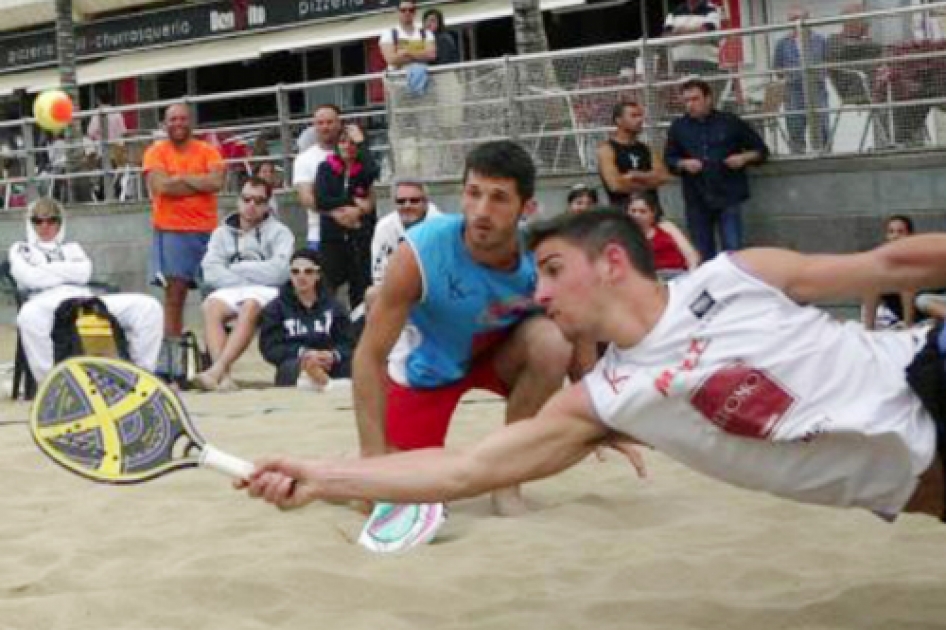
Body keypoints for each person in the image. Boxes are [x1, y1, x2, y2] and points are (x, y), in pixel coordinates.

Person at [240, 209, 946, 527]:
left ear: (612, 262)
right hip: (919, 483)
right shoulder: (606, 397)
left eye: (552, 270)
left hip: (928, 374)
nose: (539, 292)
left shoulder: (732, 277)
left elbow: (887, 264)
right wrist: (321, 476)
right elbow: (464, 471)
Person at [349, 140, 575, 517]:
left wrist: (602, 411)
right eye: (474, 194)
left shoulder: (544, 254)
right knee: (390, 486)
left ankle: (507, 481)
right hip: (430, 368)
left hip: (499, 354)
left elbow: (579, 328)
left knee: (553, 342)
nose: (482, 211)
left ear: (527, 207)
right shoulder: (419, 251)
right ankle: (346, 468)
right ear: (462, 195)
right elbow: (369, 356)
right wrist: (373, 461)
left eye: (500, 198)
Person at [9, 198, 163, 383]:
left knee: (148, 306)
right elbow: (28, 277)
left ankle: (141, 375)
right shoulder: (21, 249)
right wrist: (67, 270)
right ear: (30, 223)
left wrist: (46, 271)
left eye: (51, 220)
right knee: (28, 316)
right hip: (45, 301)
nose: (45, 226)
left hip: (83, 298)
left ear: (60, 223)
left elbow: (84, 272)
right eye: (38, 221)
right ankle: (50, 383)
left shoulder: (72, 248)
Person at [192, 176, 294, 392]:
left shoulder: (281, 233)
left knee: (250, 305)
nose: (251, 206)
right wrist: (242, 277)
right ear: (238, 201)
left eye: (258, 201)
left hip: (265, 291)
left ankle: (216, 370)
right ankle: (224, 377)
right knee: (211, 307)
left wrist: (240, 268)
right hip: (231, 288)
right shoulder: (221, 233)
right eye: (246, 199)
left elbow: (281, 271)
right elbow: (210, 271)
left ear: (267, 205)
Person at [143, 103, 225, 338]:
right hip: (172, 230)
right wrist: (199, 181)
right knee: (175, 295)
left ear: (191, 122)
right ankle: (173, 354)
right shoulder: (156, 152)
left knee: (213, 295)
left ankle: (215, 352)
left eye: (182, 119)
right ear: (164, 124)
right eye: (173, 119)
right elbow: (160, 186)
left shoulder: (208, 150)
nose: (178, 124)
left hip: (208, 231)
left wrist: (180, 179)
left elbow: (217, 183)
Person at [664, 78, 769, 263]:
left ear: (708, 98)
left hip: (728, 195)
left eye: (695, 99)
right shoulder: (678, 127)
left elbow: (761, 151)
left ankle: (733, 289)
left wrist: (743, 158)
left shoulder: (730, 122)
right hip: (697, 198)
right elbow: (669, 159)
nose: (690, 105)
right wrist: (683, 164)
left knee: (733, 251)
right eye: (686, 100)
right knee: (702, 254)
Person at [259, 249, 354, 391]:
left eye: (308, 271)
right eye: (295, 272)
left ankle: (322, 382)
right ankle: (327, 384)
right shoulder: (275, 308)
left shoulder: (334, 307)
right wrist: (303, 354)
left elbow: (349, 342)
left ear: (318, 275)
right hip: (296, 365)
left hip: (330, 362)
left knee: (353, 365)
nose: (301, 276)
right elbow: (270, 348)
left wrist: (333, 355)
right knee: (289, 369)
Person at [314, 126, 379, 313]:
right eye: (343, 141)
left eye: (353, 142)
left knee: (361, 289)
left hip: (361, 238)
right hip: (332, 240)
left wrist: (362, 143)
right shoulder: (326, 167)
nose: (347, 146)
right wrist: (355, 203)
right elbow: (322, 200)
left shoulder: (364, 170)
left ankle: (359, 331)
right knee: (326, 288)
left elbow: (373, 171)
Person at [292, 104, 367, 251]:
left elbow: (369, 192)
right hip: (319, 235)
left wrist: (358, 212)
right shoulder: (304, 159)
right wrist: (335, 214)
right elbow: (306, 198)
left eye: (330, 122)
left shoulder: (356, 155)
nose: (325, 127)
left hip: (358, 231)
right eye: (320, 123)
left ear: (339, 123)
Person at [773, 7, 829, 154]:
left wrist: (819, 76)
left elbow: (828, 63)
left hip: (816, 89)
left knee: (822, 128)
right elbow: (777, 68)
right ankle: (798, 157)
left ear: (807, 20)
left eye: (798, 19)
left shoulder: (820, 40)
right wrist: (789, 78)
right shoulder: (782, 43)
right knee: (795, 128)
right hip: (793, 91)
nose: (795, 23)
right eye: (792, 20)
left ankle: (825, 157)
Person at [369, 178, 442, 291]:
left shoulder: (442, 227)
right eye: (401, 201)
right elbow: (379, 275)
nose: (407, 205)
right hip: (396, 292)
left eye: (414, 200)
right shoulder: (384, 227)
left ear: (426, 202)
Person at [596, 101, 669, 211]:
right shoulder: (606, 150)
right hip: (623, 217)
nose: (640, 120)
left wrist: (637, 175)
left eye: (640, 115)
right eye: (633, 116)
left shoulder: (647, 148)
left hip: (652, 214)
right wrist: (649, 180)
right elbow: (615, 185)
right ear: (619, 120)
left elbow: (663, 176)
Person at [627, 190, 699, 277]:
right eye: (633, 211)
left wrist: (692, 276)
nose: (637, 215)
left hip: (678, 275)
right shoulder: (626, 234)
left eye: (643, 211)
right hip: (651, 279)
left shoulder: (666, 227)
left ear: (653, 213)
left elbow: (691, 254)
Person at [863, 214, 916, 330]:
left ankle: (908, 328)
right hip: (898, 308)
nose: (895, 236)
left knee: (906, 281)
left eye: (900, 232)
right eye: (891, 232)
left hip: (921, 305)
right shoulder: (886, 258)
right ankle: (868, 329)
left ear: (910, 235)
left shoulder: (917, 255)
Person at [662, 0, 722, 78]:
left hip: (705, 64)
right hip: (678, 65)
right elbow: (666, 37)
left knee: (704, 89)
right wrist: (695, 30)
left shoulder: (712, 10)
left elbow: (704, 35)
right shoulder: (674, 12)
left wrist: (678, 32)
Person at [379, 0, 436, 72]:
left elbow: (431, 55)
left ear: (415, 12)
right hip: (398, 80)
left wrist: (407, 53)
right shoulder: (388, 34)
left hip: (422, 77)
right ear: (398, 12)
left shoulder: (426, 33)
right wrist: (421, 54)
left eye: (411, 10)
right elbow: (391, 60)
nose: (407, 13)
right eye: (403, 10)